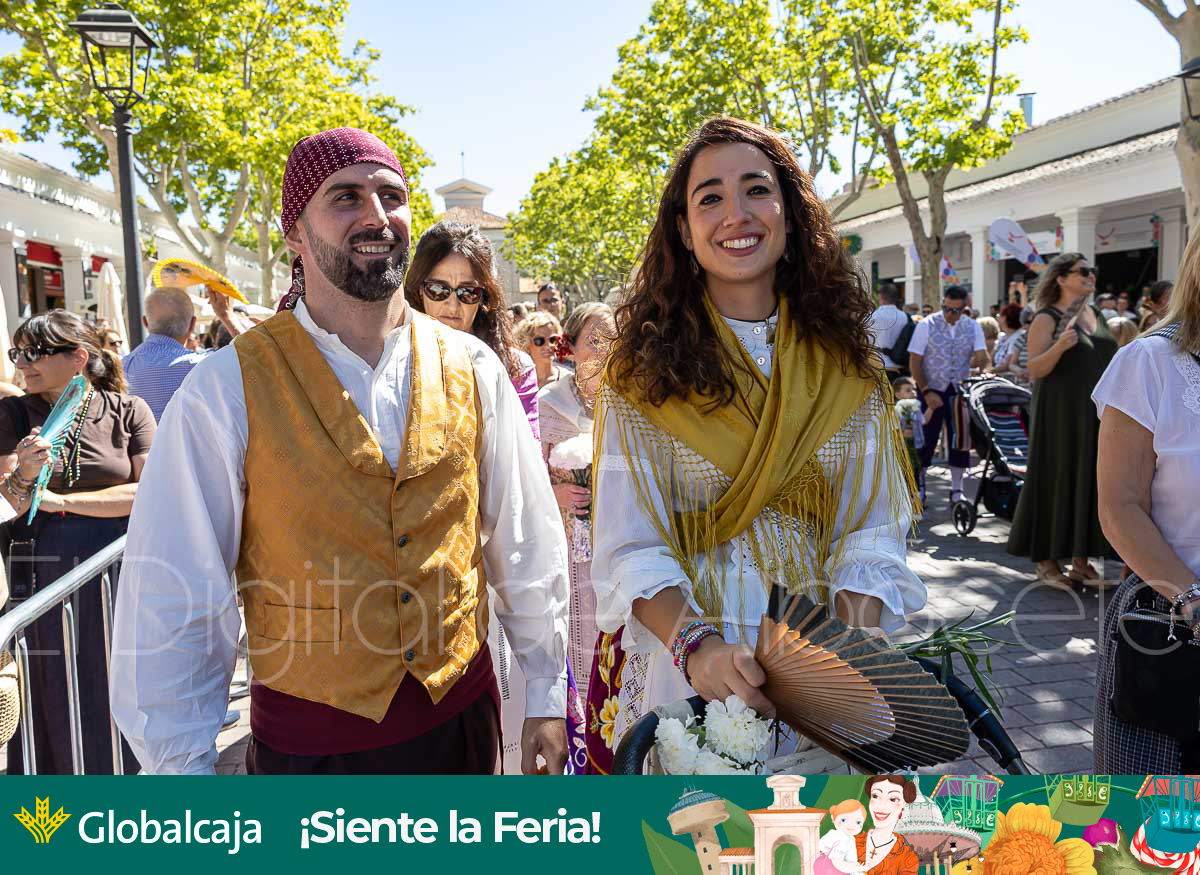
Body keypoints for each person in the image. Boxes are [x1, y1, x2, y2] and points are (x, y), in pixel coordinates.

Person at [110, 127, 569, 776]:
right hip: (311, 756)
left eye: (391, 195)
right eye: (345, 197)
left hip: (462, 731)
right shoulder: (225, 388)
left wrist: (545, 690)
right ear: (295, 233)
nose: (376, 214)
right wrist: (182, 766)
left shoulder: (473, 367)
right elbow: (176, 589)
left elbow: (524, 539)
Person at [592, 117, 924, 762]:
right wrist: (700, 649)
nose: (736, 214)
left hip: (828, 677)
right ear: (684, 230)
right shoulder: (640, 378)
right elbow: (631, 545)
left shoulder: (849, 369)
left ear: (790, 215)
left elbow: (873, 528)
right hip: (699, 676)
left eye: (757, 189)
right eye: (710, 197)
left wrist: (839, 650)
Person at [0, 310, 154, 774]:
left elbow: (149, 493)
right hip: (39, 574)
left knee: (114, 682)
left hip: (117, 577)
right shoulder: (11, 413)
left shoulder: (128, 410)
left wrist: (60, 503)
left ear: (79, 358)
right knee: (49, 688)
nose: (22, 364)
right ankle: (51, 807)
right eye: (17, 353)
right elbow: (7, 503)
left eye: (34, 353)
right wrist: (26, 475)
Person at [1092, 232, 1200, 773]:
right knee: (1158, 818)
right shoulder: (1151, 363)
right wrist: (1193, 599)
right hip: (1173, 624)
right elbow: (1121, 506)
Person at [536, 302, 616, 773]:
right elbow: (531, 479)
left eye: (612, 339)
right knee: (579, 638)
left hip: (618, 542)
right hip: (569, 546)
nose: (603, 350)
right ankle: (578, 745)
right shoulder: (552, 401)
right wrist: (558, 493)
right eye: (593, 340)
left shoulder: (630, 396)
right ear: (571, 346)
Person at [1007, 253, 1118, 585]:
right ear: (1061, 278)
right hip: (1059, 413)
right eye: (1083, 271)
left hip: (1094, 412)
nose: (1091, 275)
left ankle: (1081, 563)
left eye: (1093, 270)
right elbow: (1034, 369)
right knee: (1056, 475)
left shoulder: (1096, 314)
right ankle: (1046, 561)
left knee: (1088, 479)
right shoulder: (1047, 317)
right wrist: (1059, 347)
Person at [403, 220, 539, 440]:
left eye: (467, 292)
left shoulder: (516, 367)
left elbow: (528, 451)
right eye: (438, 289)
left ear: (484, 296)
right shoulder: (394, 361)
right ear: (419, 289)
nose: (452, 305)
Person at [907, 285, 989, 504]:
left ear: (964, 308)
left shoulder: (972, 326)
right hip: (931, 388)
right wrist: (925, 391)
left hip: (957, 390)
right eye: (946, 308)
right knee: (925, 439)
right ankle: (919, 488)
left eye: (955, 310)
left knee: (959, 439)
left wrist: (983, 364)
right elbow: (915, 361)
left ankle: (957, 489)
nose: (949, 314)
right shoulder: (926, 324)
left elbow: (982, 356)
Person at [122, 286, 246, 421]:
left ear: (145, 322)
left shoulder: (123, 366)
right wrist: (226, 315)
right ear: (192, 324)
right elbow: (252, 355)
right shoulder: (205, 365)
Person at [854, 776, 920, 875]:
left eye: (893, 799)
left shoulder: (907, 859)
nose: (881, 806)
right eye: (875, 796)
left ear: (904, 803)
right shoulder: (850, 841)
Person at [517, 310, 569, 389]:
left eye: (553, 339)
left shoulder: (568, 381)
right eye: (539, 340)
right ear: (526, 343)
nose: (548, 345)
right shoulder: (518, 383)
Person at [866, 283, 909, 376]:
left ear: (880, 297)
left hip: (878, 365)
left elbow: (866, 341)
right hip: (900, 366)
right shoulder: (905, 316)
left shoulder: (872, 316)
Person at [816, 799, 868, 875]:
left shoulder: (850, 838)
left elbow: (850, 861)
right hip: (834, 869)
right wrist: (858, 868)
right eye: (844, 820)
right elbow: (838, 863)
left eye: (858, 822)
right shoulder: (838, 837)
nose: (851, 825)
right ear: (833, 818)